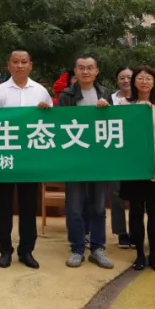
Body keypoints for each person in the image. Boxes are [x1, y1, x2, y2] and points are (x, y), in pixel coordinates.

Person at [0, 48, 52, 269]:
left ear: (30, 65)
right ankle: (5, 250)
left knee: (28, 207)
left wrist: (46, 111)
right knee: (3, 206)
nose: (20, 65)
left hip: (30, 159)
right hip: (5, 158)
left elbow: (52, 125)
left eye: (24, 62)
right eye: (15, 61)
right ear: (9, 65)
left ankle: (26, 251)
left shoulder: (40, 91)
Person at [55, 53, 113, 269]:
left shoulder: (105, 93)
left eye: (89, 67)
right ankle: (77, 248)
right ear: (75, 71)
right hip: (74, 160)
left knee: (98, 207)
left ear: (96, 71)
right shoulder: (66, 95)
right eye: (81, 67)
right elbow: (57, 125)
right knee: (74, 207)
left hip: (98, 160)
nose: (85, 71)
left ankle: (98, 249)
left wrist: (108, 109)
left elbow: (114, 124)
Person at [120, 66, 155, 272]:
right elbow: (118, 129)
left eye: (148, 78)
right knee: (135, 211)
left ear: (154, 82)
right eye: (140, 78)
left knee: (154, 212)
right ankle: (140, 255)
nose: (144, 82)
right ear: (133, 81)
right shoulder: (124, 104)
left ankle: (154, 256)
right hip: (132, 166)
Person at [109, 66, 134, 249]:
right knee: (116, 194)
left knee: (136, 195)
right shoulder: (110, 99)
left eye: (129, 77)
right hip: (114, 153)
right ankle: (121, 232)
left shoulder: (142, 99)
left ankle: (135, 231)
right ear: (117, 80)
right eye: (122, 77)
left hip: (135, 153)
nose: (126, 81)